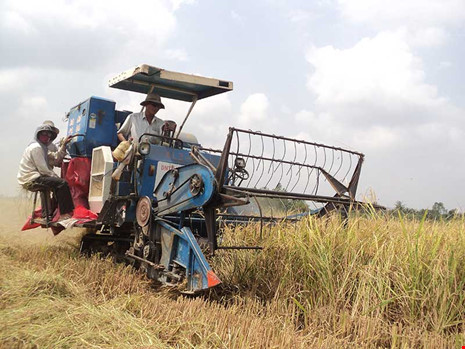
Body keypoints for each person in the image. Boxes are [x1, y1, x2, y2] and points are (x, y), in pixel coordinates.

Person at [17, 123, 74, 220]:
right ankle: (65, 214)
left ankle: (47, 215)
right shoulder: (36, 148)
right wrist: (57, 178)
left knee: (52, 185)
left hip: (34, 177)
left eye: (49, 135)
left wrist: (64, 145)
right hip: (32, 178)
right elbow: (43, 169)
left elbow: (56, 159)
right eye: (43, 134)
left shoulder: (43, 148)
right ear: (38, 135)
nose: (46, 137)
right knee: (62, 183)